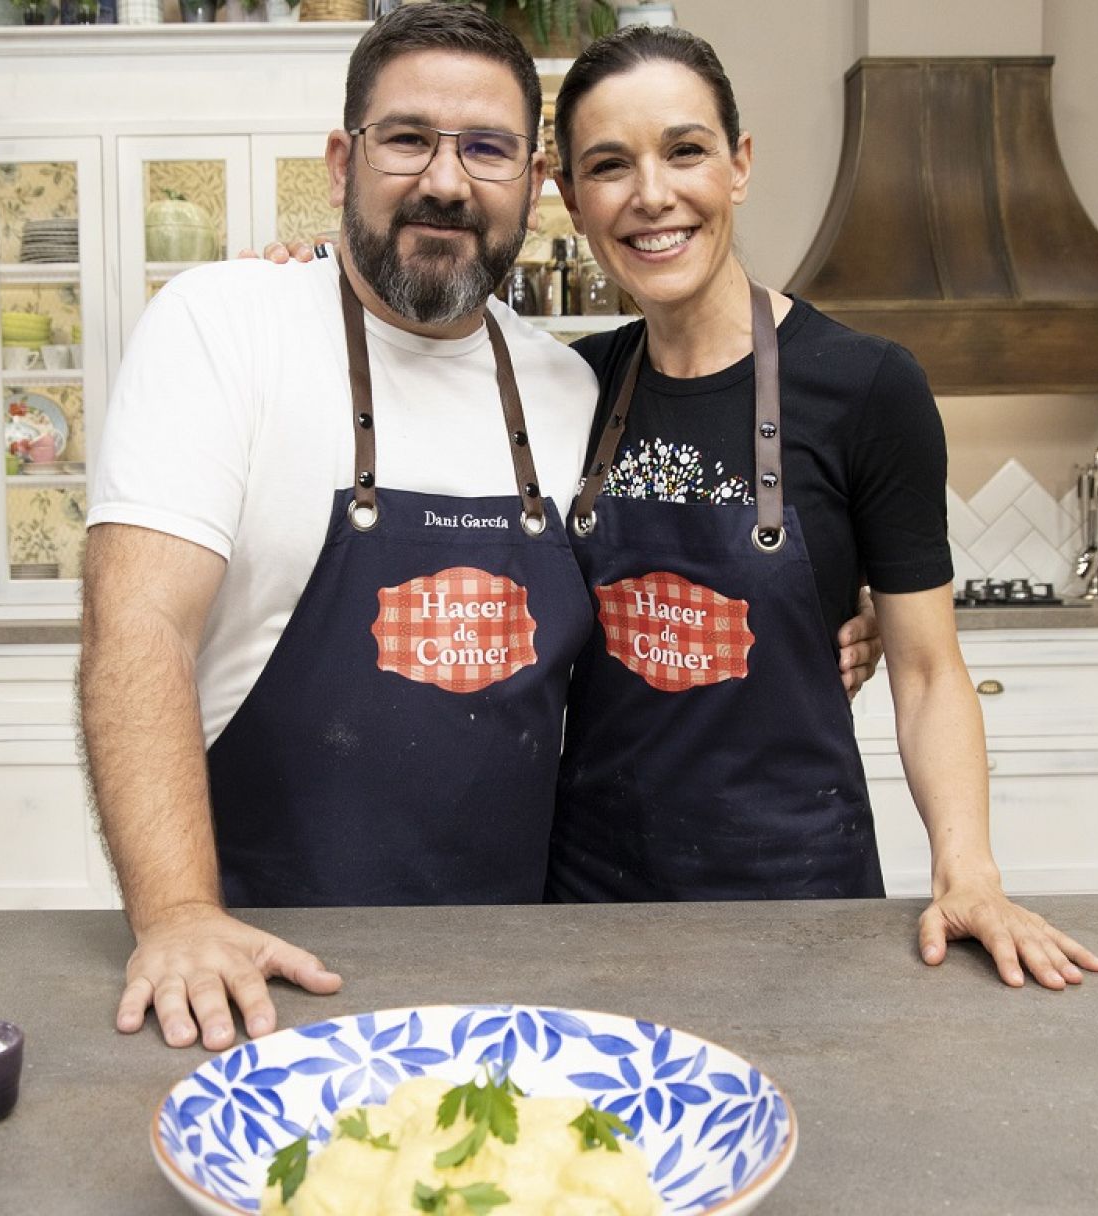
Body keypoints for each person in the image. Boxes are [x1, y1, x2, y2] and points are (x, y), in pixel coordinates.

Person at [80, 5, 884, 1054]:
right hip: (263, 972)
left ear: (535, 184)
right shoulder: (225, 326)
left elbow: (653, 594)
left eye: (486, 148)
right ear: (341, 160)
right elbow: (135, 631)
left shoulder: (568, 384)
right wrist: (180, 917)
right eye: (407, 138)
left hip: (519, 976)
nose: (446, 182)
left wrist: (823, 613)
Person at [539, 25, 1098, 990]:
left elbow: (928, 672)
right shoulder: (568, 386)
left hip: (798, 895)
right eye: (609, 166)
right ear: (570, 199)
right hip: (594, 897)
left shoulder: (867, 386)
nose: (652, 195)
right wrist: (300, 277)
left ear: (740, 163)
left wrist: (969, 873)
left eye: (685, 150)